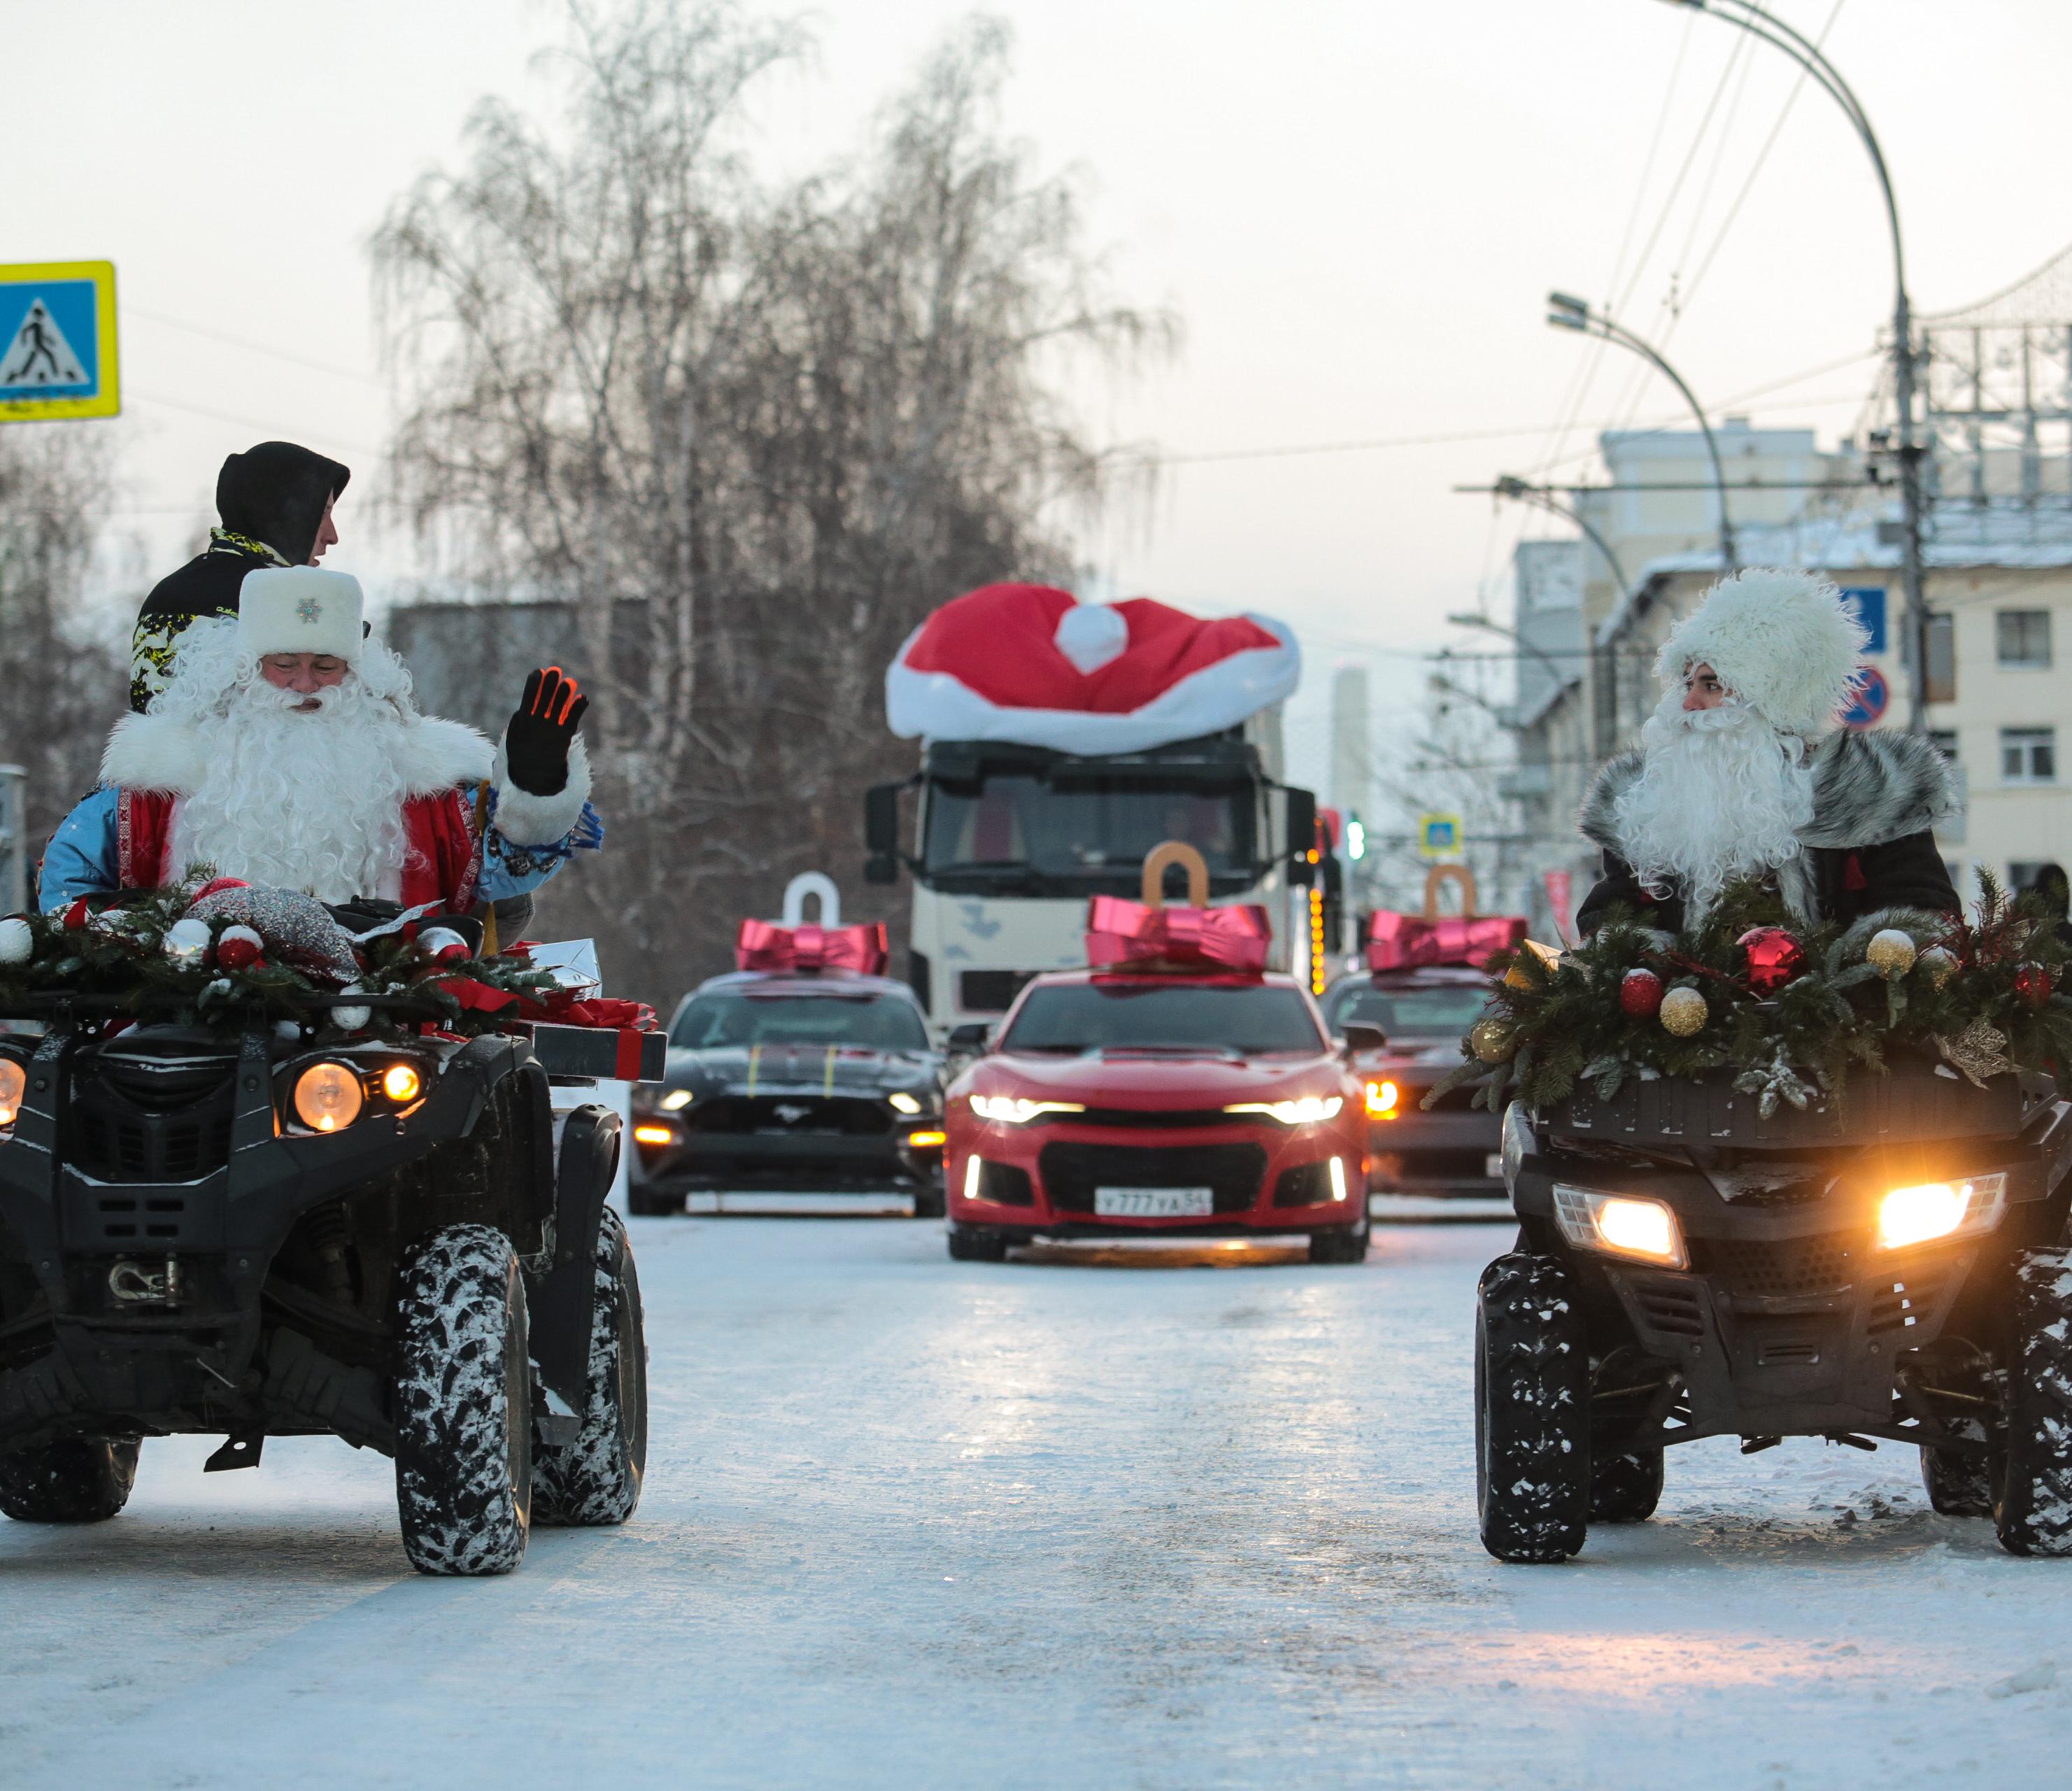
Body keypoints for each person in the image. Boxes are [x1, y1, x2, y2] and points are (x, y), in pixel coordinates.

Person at [43, 567, 599, 933]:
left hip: (378, 1029)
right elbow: (67, 883)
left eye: (326, 666)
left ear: (355, 671)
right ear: (246, 669)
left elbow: (504, 878)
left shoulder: (418, 775)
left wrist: (536, 791)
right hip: (189, 1027)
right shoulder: (160, 775)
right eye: (284, 665)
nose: (304, 685)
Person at [1576, 567, 1959, 936]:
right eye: (1687, 684)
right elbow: (1617, 913)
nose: (1688, 704)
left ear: (1772, 696)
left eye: (1711, 685)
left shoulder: (1871, 792)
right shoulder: (1646, 804)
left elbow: (1919, 913)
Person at [129, 441, 351, 713]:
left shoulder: (180, 590)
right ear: (285, 511)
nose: (332, 536)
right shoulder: (265, 597)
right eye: (323, 513)